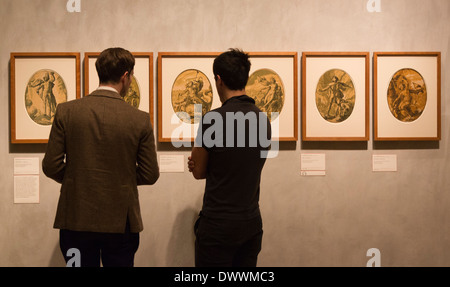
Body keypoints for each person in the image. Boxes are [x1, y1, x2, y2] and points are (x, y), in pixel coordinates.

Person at [42, 47, 159, 267]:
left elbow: (51, 165)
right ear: (125, 76)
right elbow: (150, 174)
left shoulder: (66, 111)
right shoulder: (139, 119)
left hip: (76, 217)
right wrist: (121, 178)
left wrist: (78, 178)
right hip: (121, 221)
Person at [188, 48, 271, 267]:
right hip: (251, 222)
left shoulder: (212, 120)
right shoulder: (263, 120)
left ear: (218, 80)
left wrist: (199, 160)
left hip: (218, 224)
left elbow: (198, 172)